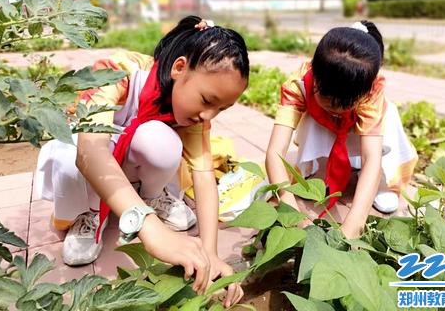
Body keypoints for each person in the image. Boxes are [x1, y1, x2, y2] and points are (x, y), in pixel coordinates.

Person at [35, 16, 249, 307]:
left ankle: (146, 197)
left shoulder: (194, 111)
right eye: (207, 100)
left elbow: (204, 176)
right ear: (179, 68)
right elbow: (90, 153)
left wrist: (210, 254)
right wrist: (152, 231)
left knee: (160, 143)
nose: (208, 116)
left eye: (221, 109)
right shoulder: (119, 70)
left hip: (124, 165)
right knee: (68, 153)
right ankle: (87, 213)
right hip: (86, 165)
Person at [265, 21, 418, 239]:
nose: (335, 107)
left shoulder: (371, 92)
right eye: (327, 98)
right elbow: (275, 152)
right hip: (325, 123)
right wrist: (291, 211)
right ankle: (321, 172)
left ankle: (384, 187)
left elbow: (371, 157)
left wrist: (355, 222)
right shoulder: (298, 85)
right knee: (312, 122)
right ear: (314, 73)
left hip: (360, 127)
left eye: (345, 102)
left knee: (388, 121)